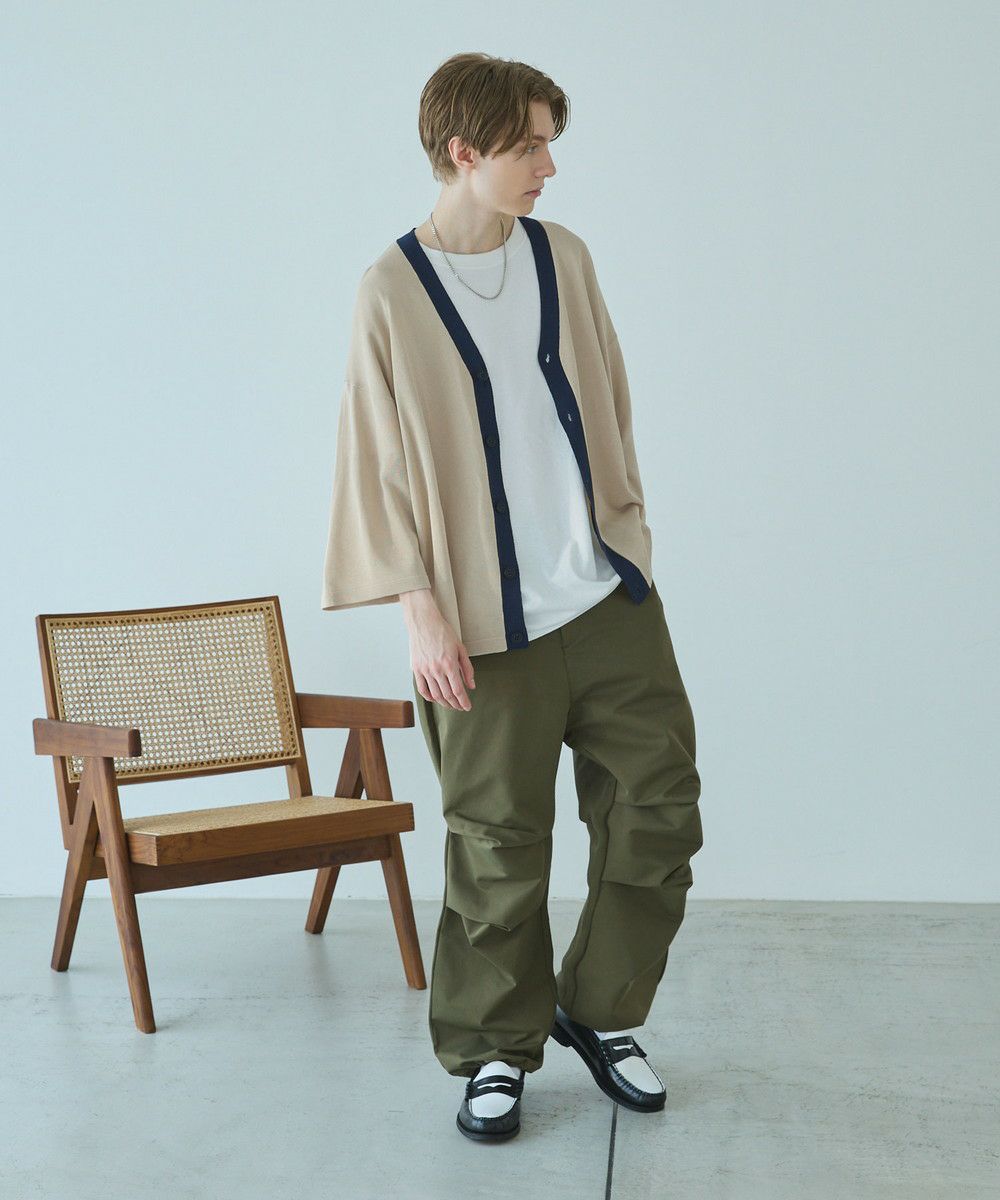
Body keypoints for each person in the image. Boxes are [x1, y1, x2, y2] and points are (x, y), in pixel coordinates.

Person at [321, 52, 703, 1143]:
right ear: (464, 151)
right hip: (483, 629)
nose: (549, 165)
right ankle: (494, 1048)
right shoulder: (392, 290)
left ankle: (599, 1010)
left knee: (659, 811)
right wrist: (420, 613)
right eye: (530, 145)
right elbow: (375, 466)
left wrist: (626, 543)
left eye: (548, 143)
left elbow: (608, 401)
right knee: (498, 845)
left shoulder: (561, 257)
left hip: (606, 601)